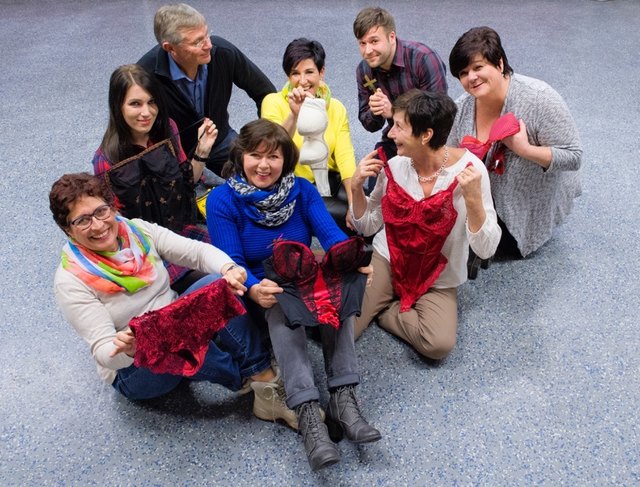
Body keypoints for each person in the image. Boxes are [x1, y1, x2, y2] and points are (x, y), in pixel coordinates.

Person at [50, 172, 295, 429]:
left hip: (172, 320)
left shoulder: (136, 231)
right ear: (67, 229)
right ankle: (248, 378)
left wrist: (228, 268)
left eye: (101, 211)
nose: (98, 225)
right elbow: (103, 351)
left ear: (111, 207)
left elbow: (196, 252)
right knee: (177, 333)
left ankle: (260, 376)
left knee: (218, 285)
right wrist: (129, 348)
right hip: (134, 368)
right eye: (83, 221)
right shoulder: (71, 281)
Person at [206, 119, 380, 471]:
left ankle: (343, 397)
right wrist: (255, 288)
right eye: (255, 155)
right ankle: (308, 415)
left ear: (287, 159)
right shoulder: (222, 200)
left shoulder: (301, 189)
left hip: (299, 273)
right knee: (283, 309)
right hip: (255, 286)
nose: (264, 165)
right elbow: (232, 264)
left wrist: (351, 260)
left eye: (274, 156)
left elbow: (330, 234)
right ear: (240, 157)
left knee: (338, 282)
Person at [351, 90, 501, 359]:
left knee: (437, 344)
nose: (390, 134)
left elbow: (487, 249)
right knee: (345, 329)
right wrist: (355, 187)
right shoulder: (394, 166)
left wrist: (475, 200)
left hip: (438, 273)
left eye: (399, 127)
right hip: (390, 257)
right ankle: (383, 299)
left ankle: (384, 309)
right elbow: (369, 226)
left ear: (426, 135)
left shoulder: (471, 171)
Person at [447, 26, 582, 259]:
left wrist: (524, 150)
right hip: (480, 199)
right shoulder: (462, 107)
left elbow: (574, 157)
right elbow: (448, 153)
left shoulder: (539, 98)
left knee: (467, 246)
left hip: (522, 208)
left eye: (478, 67)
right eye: (463, 73)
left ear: (499, 64)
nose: (471, 78)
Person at [92, 64, 218, 294]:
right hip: (148, 251)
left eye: (152, 102)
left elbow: (186, 186)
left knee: (238, 256)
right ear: (117, 106)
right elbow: (116, 229)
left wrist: (202, 151)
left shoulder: (168, 128)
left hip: (184, 229)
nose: (147, 112)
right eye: (135, 104)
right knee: (218, 280)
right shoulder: (105, 161)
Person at [137, 3, 276, 176]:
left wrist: (267, 143)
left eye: (206, 35)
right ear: (170, 48)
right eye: (197, 42)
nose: (208, 45)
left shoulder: (223, 52)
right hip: (173, 154)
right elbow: (131, 129)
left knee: (263, 177)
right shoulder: (145, 75)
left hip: (220, 141)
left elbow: (267, 95)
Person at [261, 38, 357, 234]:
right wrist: (294, 114)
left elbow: (346, 158)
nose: (302, 81)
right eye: (295, 73)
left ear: (321, 73)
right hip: (290, 183)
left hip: (327, 181)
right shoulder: (273, 102)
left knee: (366, 206)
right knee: (334, 215)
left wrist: (356, 205)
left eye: (309, 72)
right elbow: (270, 149)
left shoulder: (336, 108)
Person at [353, 7, 448, 162]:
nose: (367, 50)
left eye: (374, 41)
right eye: (362, 43)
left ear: (391, 37)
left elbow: (439, 116)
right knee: (375, 182)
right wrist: (375, 111)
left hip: (428, 142)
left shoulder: (424, 59)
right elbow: (370, 125)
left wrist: (394, 113)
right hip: (395, 140)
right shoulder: (364, 70)